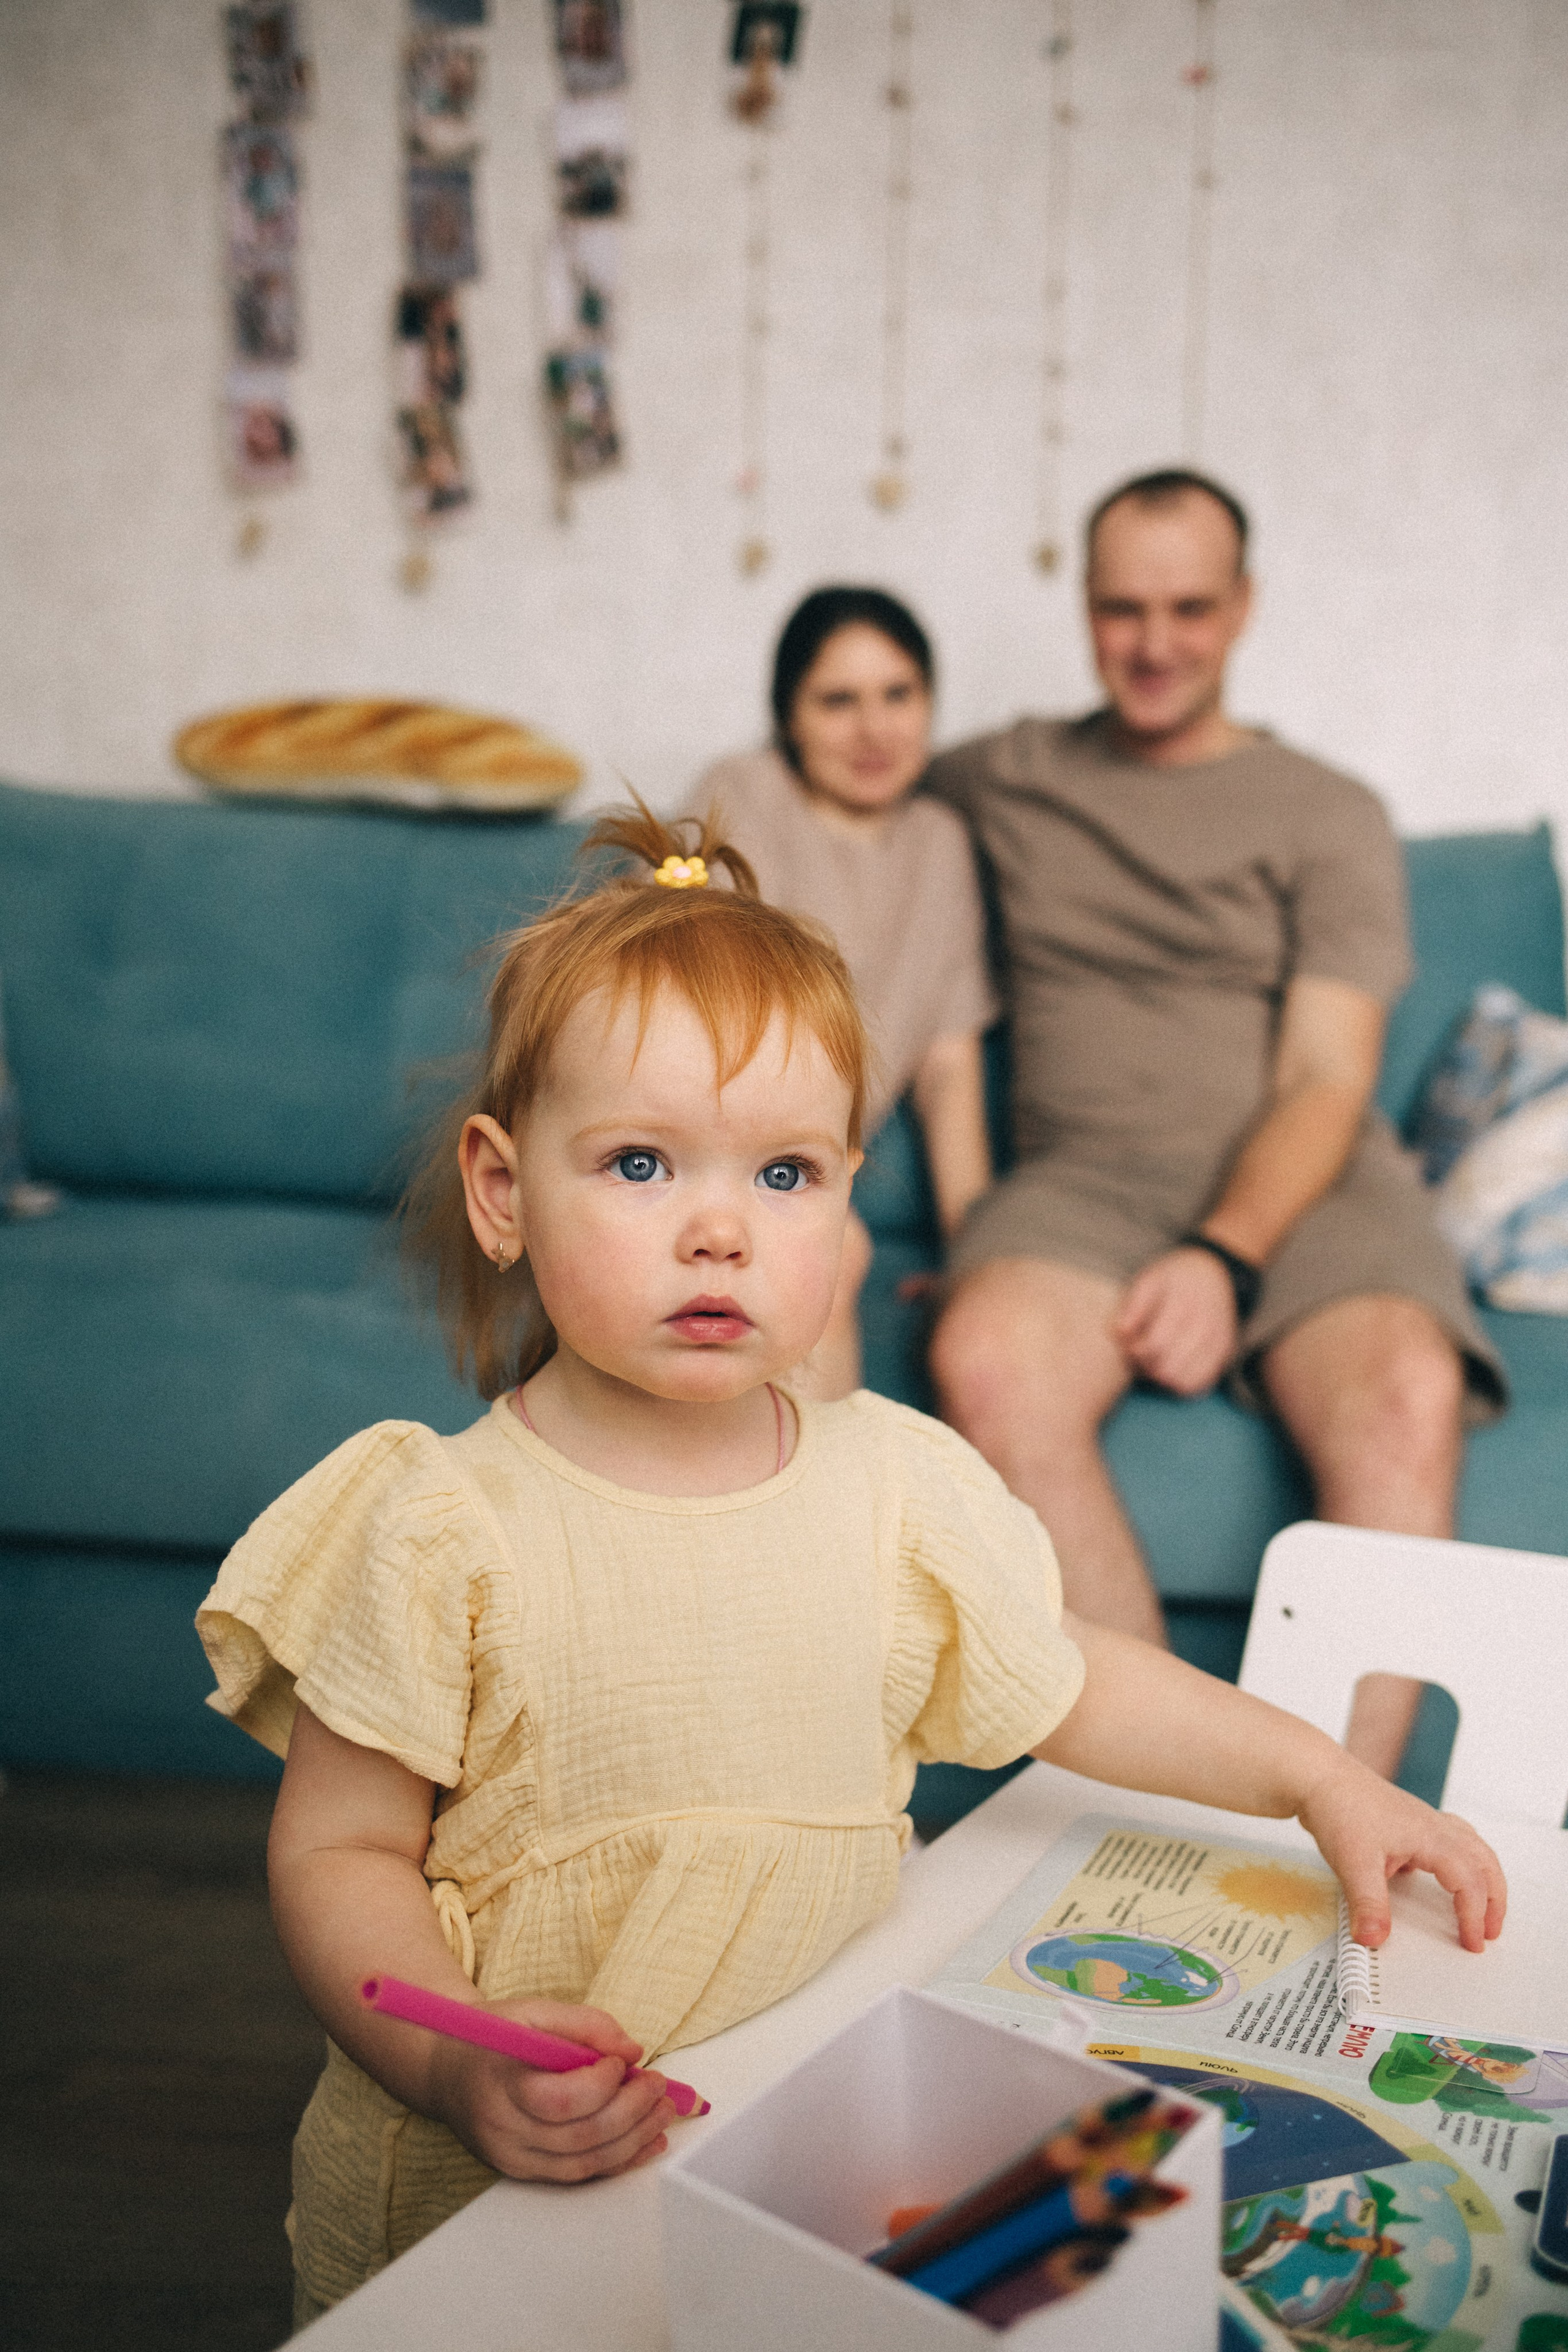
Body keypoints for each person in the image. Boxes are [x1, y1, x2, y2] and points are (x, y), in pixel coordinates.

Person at [194, 804, 1502, 2324]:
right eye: (637, 1163)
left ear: (847, 1193)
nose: (717, 1233)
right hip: (482, 2207)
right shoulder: (433, 1527)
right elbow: (339, 1856)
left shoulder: (896, 1487)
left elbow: (1073, 1680)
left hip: (786, 2164)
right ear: (502, 1191)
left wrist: (1318, 1777)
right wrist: (454, 2057)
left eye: (783, 1176)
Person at [925, 469, 1506, 1779]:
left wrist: (1223, 1256)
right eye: (1120, 609)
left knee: (1406, 1391)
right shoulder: (1003, 776)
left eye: (1188, 607)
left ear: (1242, 607)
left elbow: (1322, 1077)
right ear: (1081, 609)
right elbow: (830, 779)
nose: (1152, 643)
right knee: (988, 1360)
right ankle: (1166, 1801)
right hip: (1078, 1181)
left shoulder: (1326, 810)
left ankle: (1335, 1818)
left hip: (1305, 1181)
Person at [689, 586, 995, 1395]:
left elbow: (948, 1069)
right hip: (706, 1128)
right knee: (825, 1245)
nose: (874, 729)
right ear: (789, 715)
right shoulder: (742, 795)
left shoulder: (942, 844)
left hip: (808, 1166)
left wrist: (977, 1255)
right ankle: (816, 1516)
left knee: (825, 1235)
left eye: (899, 695)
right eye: (838, 701)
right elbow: (681, 1011)